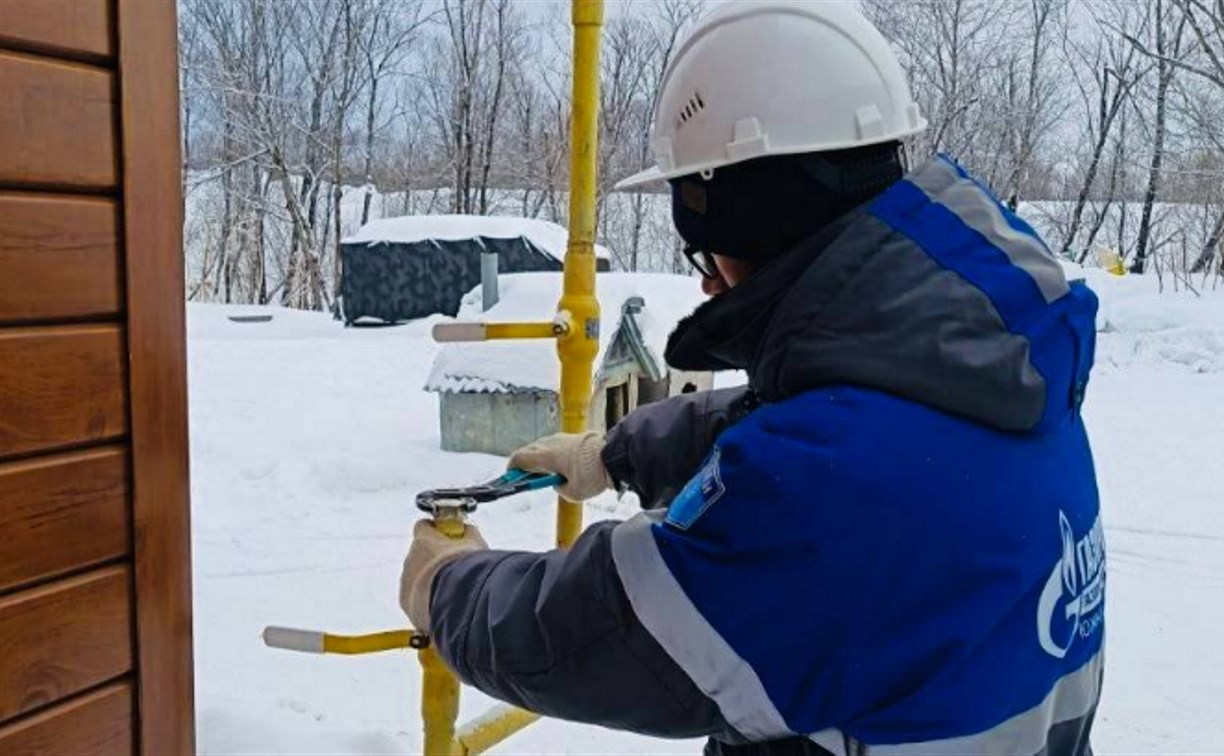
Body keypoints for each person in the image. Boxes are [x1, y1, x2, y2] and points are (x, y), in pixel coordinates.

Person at [398, 2, 1105, 754]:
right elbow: (824, 423)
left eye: (707, 255)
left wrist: (449, 589)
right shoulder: (1003, 361)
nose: (708, 287)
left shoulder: (821, 493)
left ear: (752, 227)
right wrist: (618, 454)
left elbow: (600, 630)